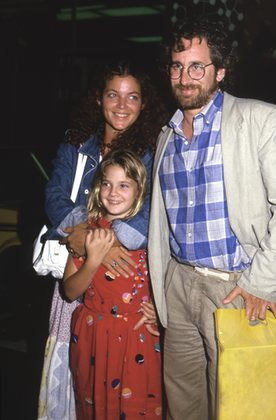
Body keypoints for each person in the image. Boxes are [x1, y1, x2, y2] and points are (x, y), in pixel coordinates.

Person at [147, 15, 276, 420]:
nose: (185, 77)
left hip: (236, 287)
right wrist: (161, 288)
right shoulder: (164, 136)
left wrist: (261, 282)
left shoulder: (259, 120)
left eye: (197, 66)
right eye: (177, 65)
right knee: (183, 404)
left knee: (238, 405)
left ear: (220, 71)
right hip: (179, 287)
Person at [37, 60, 168, 420]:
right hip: (81, 274)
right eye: (113, 94)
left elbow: (154, 211)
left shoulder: (154, 149)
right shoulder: (78, 142)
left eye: (132, 96)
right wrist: (84, 232)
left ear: (145, 104)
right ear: (99, 99)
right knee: (79, 374)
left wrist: (106, 242)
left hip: (126, 286)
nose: (122, 104)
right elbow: (54, 194)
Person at [64, 149, 162, 419]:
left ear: (140, 189)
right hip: (95, 336)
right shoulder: (88, 231)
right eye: (106, 184)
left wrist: (160, 308)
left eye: (124, 185)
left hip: (138, 338)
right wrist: (93, 259)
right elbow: (70, 291)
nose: (113, 192)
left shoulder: (150, 233)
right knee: (96, 407)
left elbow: (166, 280)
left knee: (139, 409)